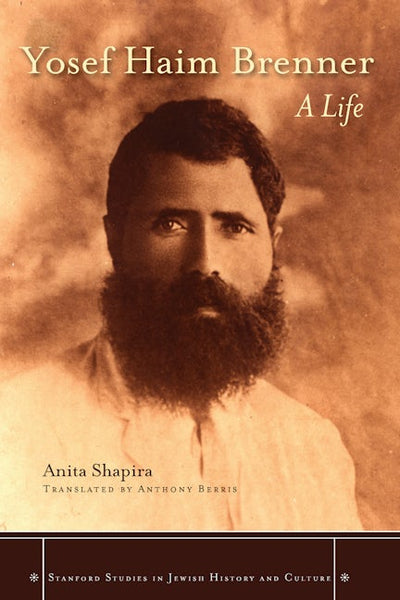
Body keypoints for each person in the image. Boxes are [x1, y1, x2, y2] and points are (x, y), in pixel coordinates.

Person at [0, 98, 362, 531]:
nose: (205, 263)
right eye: (170, 224)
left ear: (274, 245)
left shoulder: (312, 448)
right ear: (115, 240)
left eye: (235, 227)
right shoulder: (19, 426)